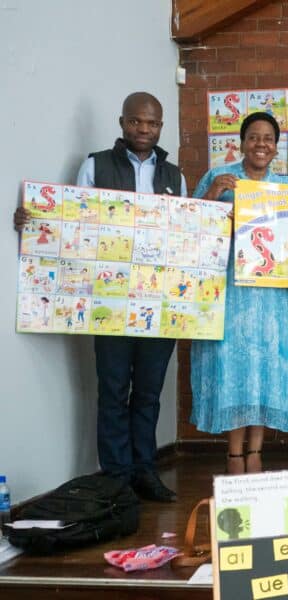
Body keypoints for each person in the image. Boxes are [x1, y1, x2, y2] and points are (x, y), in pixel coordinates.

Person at [13, 92, 185, 502]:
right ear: (122, 122)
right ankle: (115, 478)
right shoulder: (94, 165)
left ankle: (145, 471)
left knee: (148, 393)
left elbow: (184, 235)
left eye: (153, 124)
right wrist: (33, 220)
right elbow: (75, 223)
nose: (144, 130)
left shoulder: (174, 175)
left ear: (161, 127)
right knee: (112, 392)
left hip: (158, 304)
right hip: (108, 302)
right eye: (136, 122)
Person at [190, 112, 288, 475]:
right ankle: (234, 453)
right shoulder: (220, 178)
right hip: (232, 294)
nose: (261, 144)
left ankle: (256, 451)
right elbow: (190, 229)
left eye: (268, 138)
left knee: (268, 370)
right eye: (253, 137)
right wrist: (211, 196)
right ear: (241, 142)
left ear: (275, 146)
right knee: (234, 368)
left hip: (274, 299)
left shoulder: (287, 190)